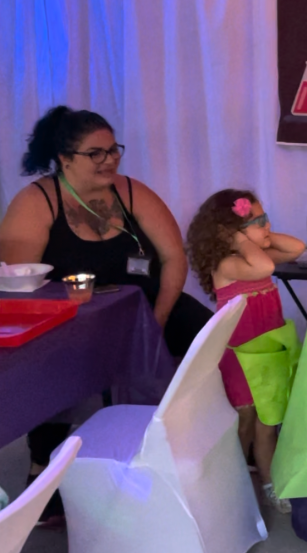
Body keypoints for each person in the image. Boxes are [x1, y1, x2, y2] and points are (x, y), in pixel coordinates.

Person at [0, 105, 213, 523]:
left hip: (149, 307)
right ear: (65, 158)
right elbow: (20, 284)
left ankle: (186, 449)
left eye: (114, 149)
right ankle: (45, 469)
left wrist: (159, 318)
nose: (110, 159)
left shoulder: (132, 192)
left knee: (208, 340)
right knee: (51, 369)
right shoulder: (36, 202)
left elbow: (173, 259)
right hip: (75, 322)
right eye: (95, 153)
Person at [186, 190, 305, 513]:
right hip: (240, 357)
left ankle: (270, 482)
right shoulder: (228, 264)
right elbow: (264, 263)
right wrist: (240, 240)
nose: (267, 226)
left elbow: (297, 248)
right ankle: (230, 484)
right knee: (243, 421)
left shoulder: (254, 259)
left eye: (267, 219)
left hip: (268, 354)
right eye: (259, 221)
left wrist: (261, 233)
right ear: (230, 233)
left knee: (268, 420)